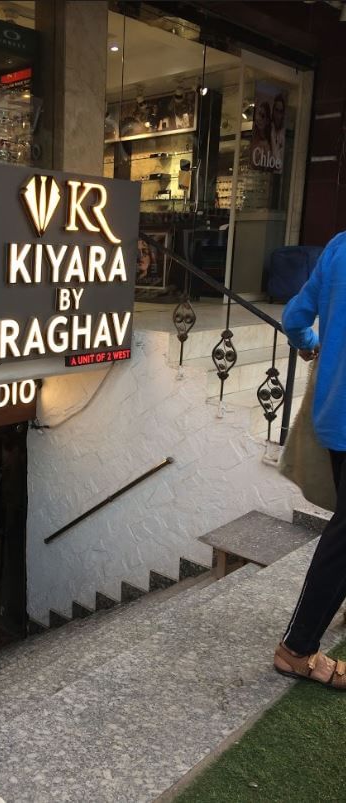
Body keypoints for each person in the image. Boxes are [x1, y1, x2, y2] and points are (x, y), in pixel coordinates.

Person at [274, 233, 346, 689]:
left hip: (335, 414)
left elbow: (296, 317)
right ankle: (297, 649)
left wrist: (308, 341)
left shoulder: (340, 247)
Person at [270, 93, 286, 172]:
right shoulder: (267, 129)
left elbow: (278, 163)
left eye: (280, 112)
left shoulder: (282, 134)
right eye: (276, 110)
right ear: (273, 111)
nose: (278, 115)